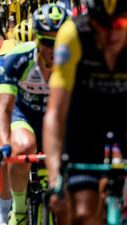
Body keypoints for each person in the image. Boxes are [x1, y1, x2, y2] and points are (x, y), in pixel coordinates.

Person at [43, 0, 127, 224]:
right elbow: (55, 113)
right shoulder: (73, 33)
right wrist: (55, 178)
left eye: (119, 23)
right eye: (100, 25)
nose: (110, 33)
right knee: (82, 212)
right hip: (85, 117)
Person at [0, 4, 68, 225]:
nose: (54, 49)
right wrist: (4, 144)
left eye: (60, 42)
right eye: (47, 42)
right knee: (23, 147)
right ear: (36, 39)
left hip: (58, 117)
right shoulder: (18, 58)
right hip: (24, 115)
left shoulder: (77, 59)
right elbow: (3, 109)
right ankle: (21, 209)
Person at [0, 18, 35, 225]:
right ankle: (4, 212)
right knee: (5, 149)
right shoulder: (4, 66)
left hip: (39, 105)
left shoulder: (56, 58)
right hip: (12, 104)